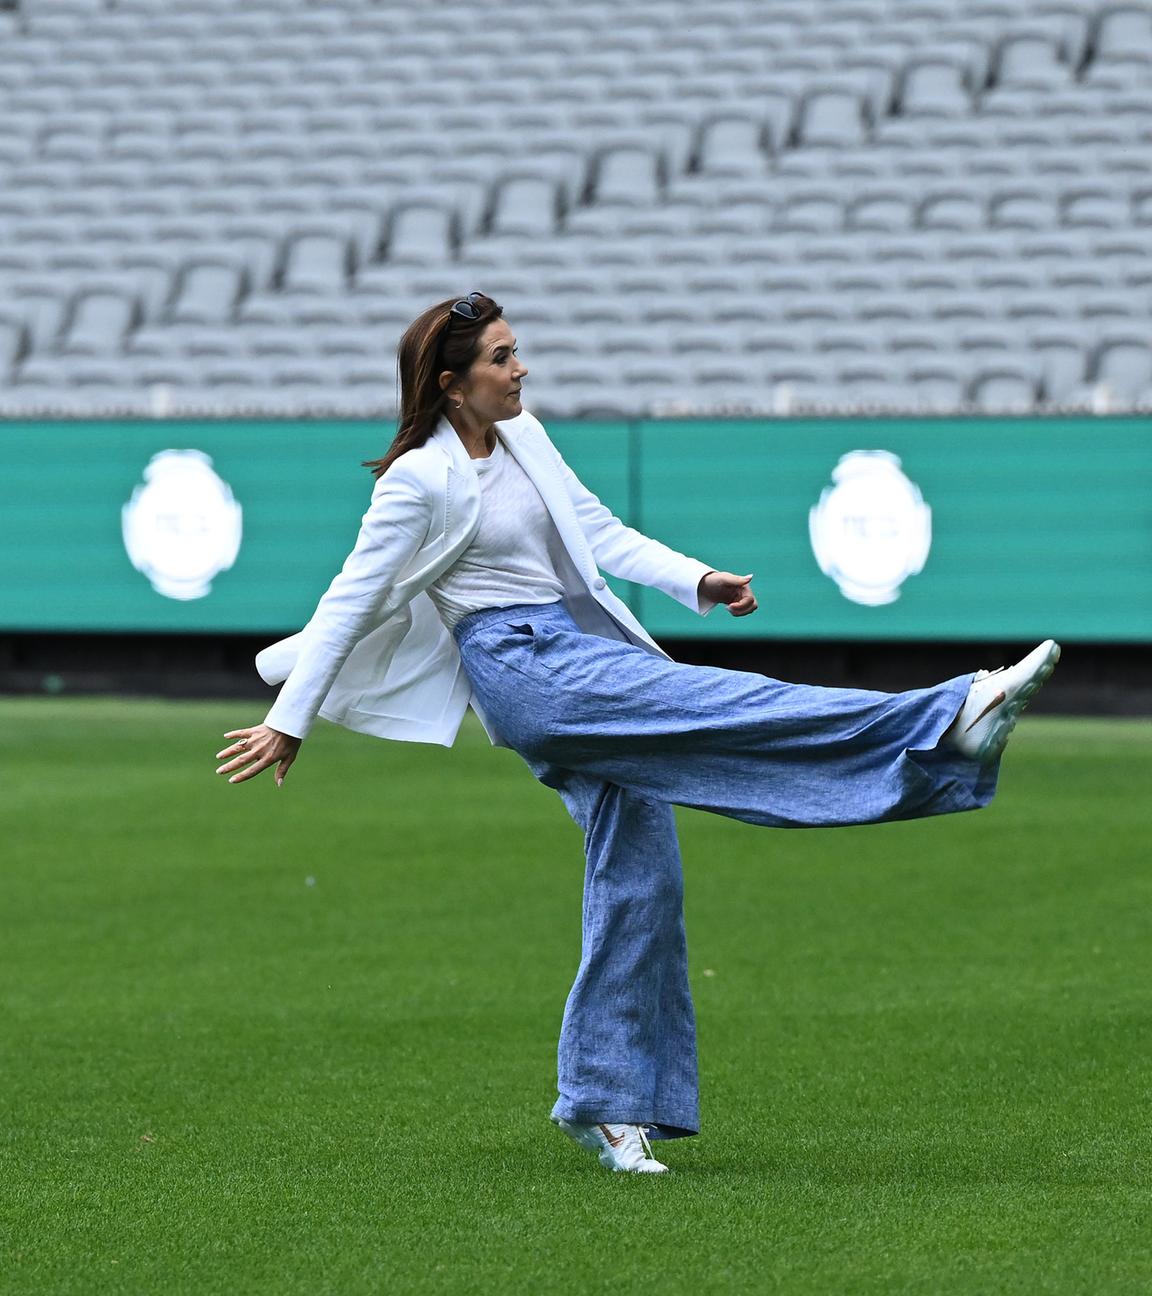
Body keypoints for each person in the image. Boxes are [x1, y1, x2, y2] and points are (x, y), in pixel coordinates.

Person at [214, 292, 1060, 1175]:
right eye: (501, 358)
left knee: (641, 871)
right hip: (523, 671)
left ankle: (606, 1103)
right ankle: (947, 717)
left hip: (571, 647)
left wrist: (698, 578)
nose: (520, 369)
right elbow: (352, 598)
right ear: (451, 383)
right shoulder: (415, 480)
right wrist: (289, 721)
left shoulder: (524, 436)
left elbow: (597, 532)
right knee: (723, 706)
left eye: (516, 352)